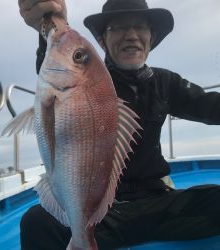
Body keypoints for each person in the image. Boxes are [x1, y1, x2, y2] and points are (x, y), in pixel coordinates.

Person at [18, 0, 220, 249]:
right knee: (36, 222)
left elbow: (210, 106)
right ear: (102, 40)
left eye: (140, 27)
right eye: (119, 28)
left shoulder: (166, 82)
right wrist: (49, 24)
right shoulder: (88, 80)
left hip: (158, 202)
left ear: (151, 37)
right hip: (101, 215)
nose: (132, 35)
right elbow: (57, 68)